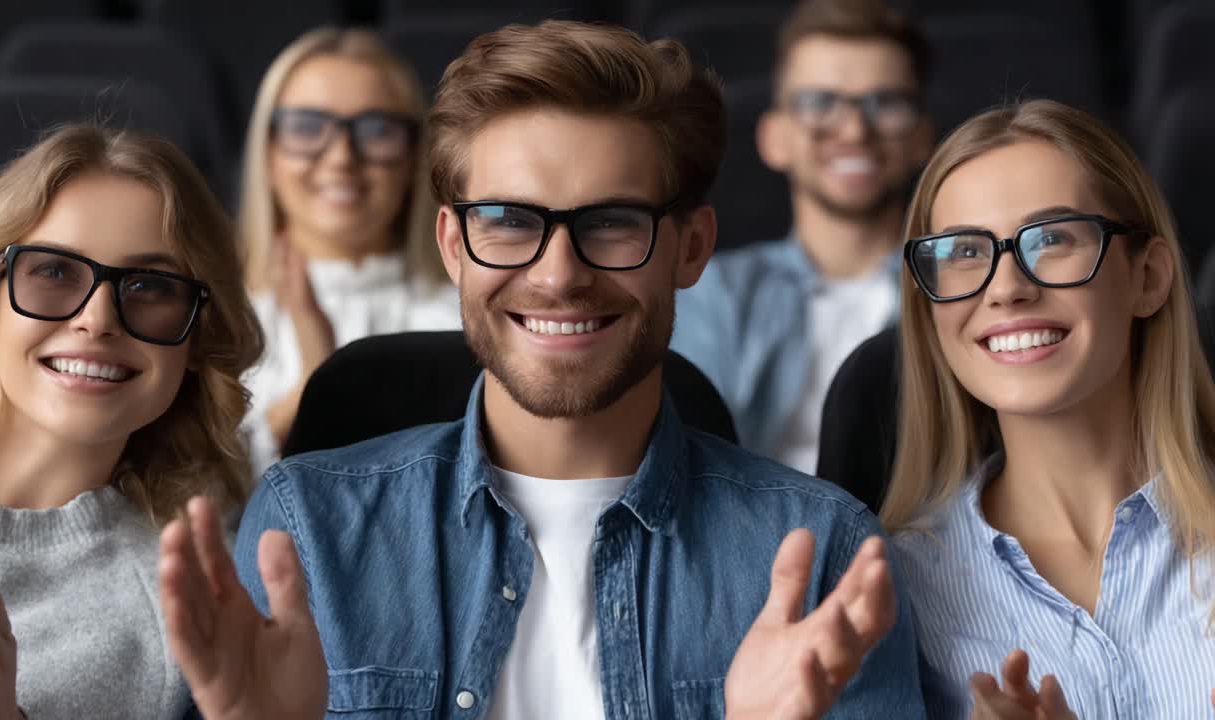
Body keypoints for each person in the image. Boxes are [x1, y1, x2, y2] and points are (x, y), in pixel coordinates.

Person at [158, 20, 926, 720]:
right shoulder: (305, 533)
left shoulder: (825, 553)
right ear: (454, 246)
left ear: (691, 248)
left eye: (614, 223)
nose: (558, 276)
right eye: (509, 222)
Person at [882, 99, 1215, 718]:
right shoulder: (894, 589)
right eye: (963, 252)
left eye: (1053, 238)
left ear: (1147, 278)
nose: (1007, 287)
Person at [0, 125, 263, 719]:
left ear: (195, 340)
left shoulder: (181, 611)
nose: (97, 319)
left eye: (150, 286)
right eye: (55, 272)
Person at [672, 0, 932, 471]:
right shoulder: (708, 290)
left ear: (921, 138)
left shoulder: (957, 287)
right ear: (774, 138)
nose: (854, 130)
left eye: (886, 104)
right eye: (819, 103)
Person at [237, 27, 460, 476]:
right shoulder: (209, 320)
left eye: (377, 130)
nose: (341, 157)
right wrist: (312, 386)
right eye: (306, 127)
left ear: (416, 156)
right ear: (268, 150)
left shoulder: (467, 315)